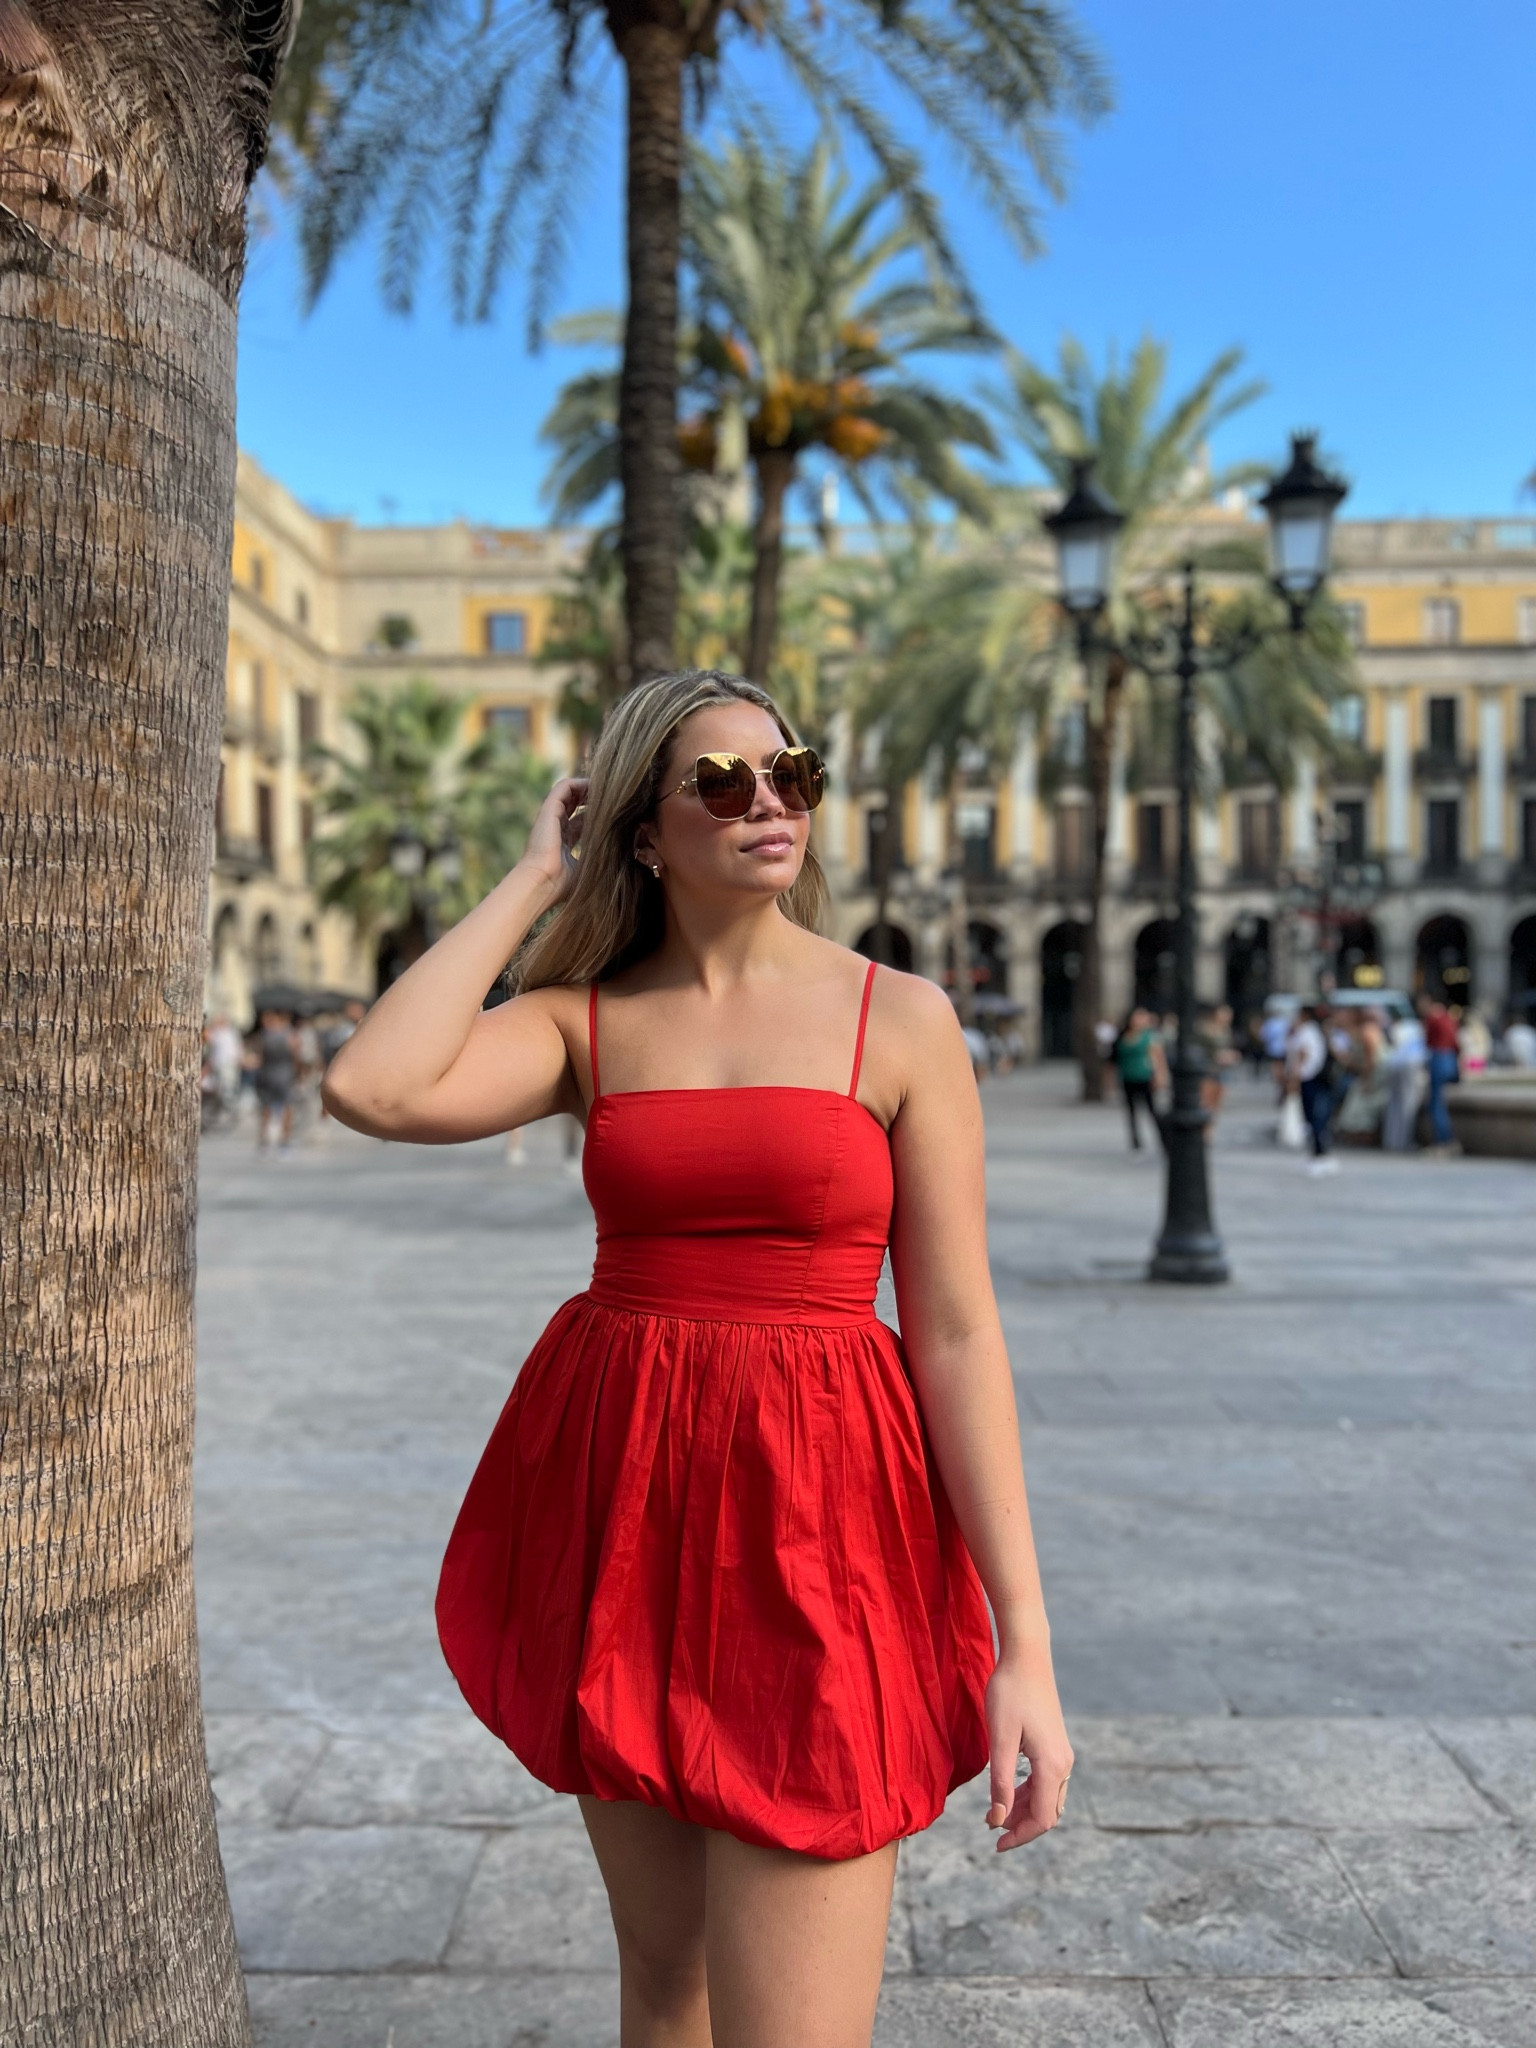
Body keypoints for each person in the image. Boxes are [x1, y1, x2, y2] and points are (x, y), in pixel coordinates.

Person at [320, 670, 1072, 2048]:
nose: (769, 800)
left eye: (792, 770)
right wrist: (531, 881)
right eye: (721, 781)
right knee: (666, 1995)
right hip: (625, 1512)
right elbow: (374, 1087)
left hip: (824, 1524)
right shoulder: (583, 1022)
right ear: (645, 833)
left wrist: (1023, 1641)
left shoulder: (896, 1018)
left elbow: (957, 1329)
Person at [1286, 1001, 1338, 1174]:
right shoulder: (1315, 1031)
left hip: (1309, 1078)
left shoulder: (1307, 1031)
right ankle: (1318, 1152)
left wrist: (1294, 1078)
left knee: (1314, 1117)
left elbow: (1302, 1055)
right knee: (1315, 1117)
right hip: (1313, 1077)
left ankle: (1319, 1153)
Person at [1114, 1005, 1165, 1152]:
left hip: (1145, 1076)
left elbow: (1158, 1058)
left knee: (1152, 1111)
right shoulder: (1123, 1035)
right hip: (1127, 1077)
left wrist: (1160, 1077)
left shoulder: (1150, 1036)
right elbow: (1115, 1058)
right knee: (1131, 1112)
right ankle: (1135, 1143)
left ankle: (1163, 1141)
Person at [248, 1007, 298, 1151]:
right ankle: (283, 1142)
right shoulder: (290, 1035)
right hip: (284, 1074)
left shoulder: (264, 1036)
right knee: (283, 1108)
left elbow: (258, 1057)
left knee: (269, 1108)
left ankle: (267, 1142)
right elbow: (296, 1056)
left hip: (270, 1074)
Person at [1420, 996, 1461, 1154]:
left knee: (1436, 1104)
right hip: (1450, 1058)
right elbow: (1456, 1042)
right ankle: (1447, 1141)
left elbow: (1427, 1041)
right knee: (1439, 1103)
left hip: (1439, 1058)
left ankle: (1443, 1143)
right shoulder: (1450, 1018)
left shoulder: (1433, 1017)